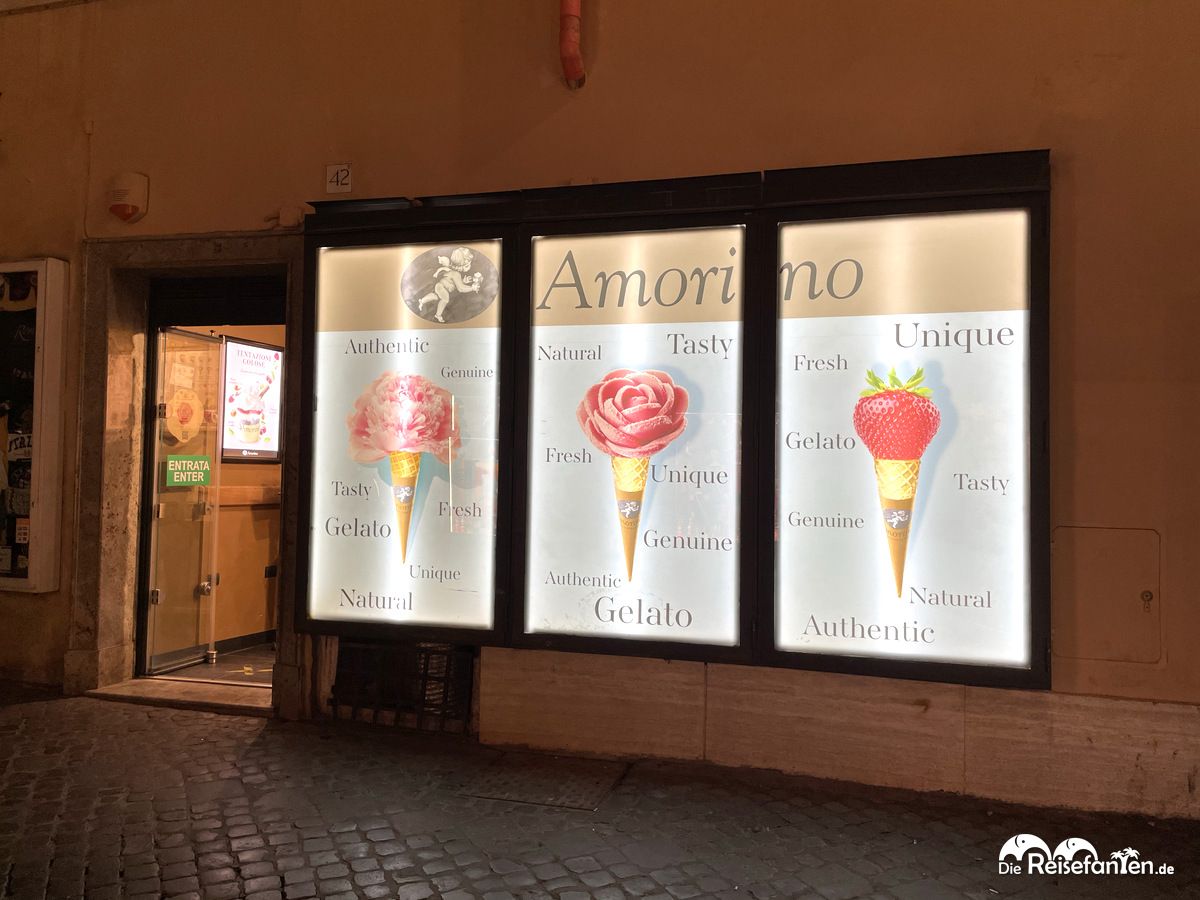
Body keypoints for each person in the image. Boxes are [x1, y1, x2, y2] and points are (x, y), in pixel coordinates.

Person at [417, 247, 483, 323]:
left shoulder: (455, 273)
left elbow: (456, 283)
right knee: (445, 299)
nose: (469, 267)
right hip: (442, 288)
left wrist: (463, 281)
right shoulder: (456, 274)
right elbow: (461, 288)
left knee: (436, 296)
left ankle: (422, 301)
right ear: (462, 265)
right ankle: (437, 315)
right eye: (468, 265)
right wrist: (472, 288)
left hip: (440, 286)